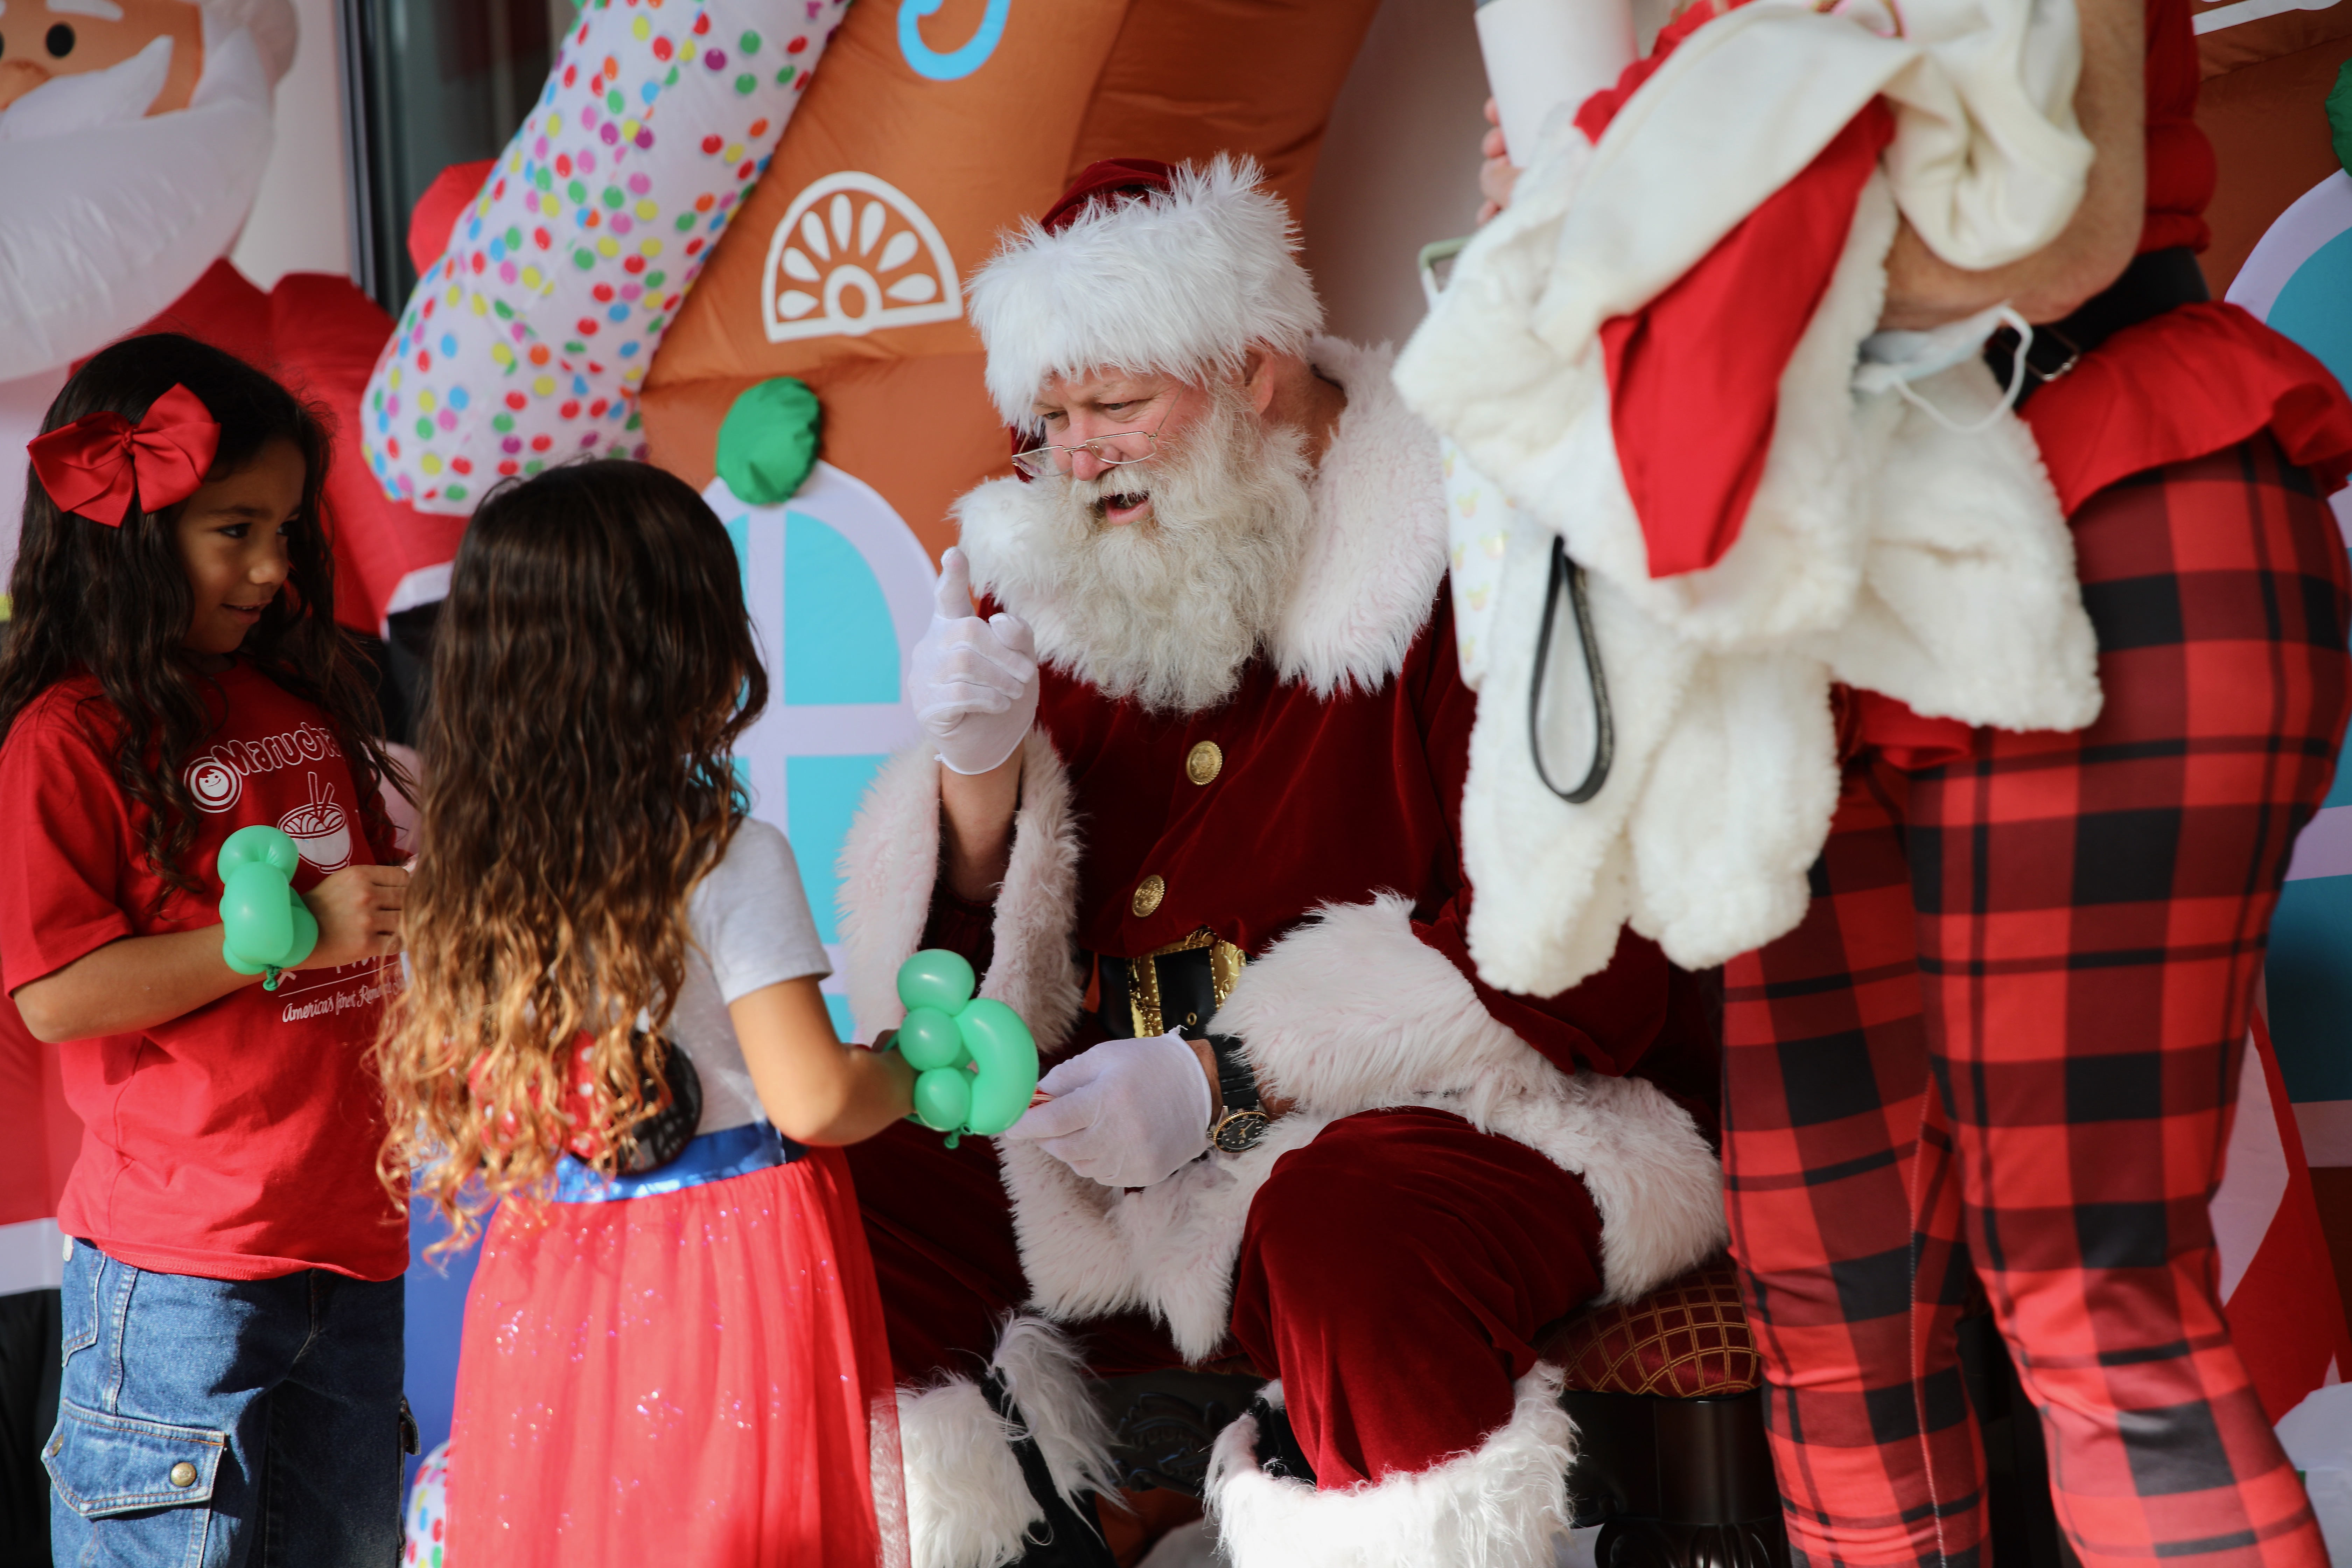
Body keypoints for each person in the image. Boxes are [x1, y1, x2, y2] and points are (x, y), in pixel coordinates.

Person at [1469, 0, 2352, 1562]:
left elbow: (2050, 230)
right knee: (1829, 1311)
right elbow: (1574, 296)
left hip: (2103, 498)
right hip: (1820, 608)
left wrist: (1628, 231)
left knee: (2095, 1301)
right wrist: (1571, 216)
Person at [834, 156, 1729, 1568]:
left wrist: (1229, 1077)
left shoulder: (1466, 525)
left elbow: (1583, 961)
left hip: (1460, 1113)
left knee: (1344, 1226)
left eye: (1118, 404)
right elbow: (955, 1012)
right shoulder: (1051, 575)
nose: (1079, 457)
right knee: (837, 1181)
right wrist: (975, 783)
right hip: (1112, 1173)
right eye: (1053, 417)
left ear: (1255, 371)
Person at [376, 460, 915, 1568]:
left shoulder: (469, 882)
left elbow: (461, 1135)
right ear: (683, 650)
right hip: (729, 1270)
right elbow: (815, 1098)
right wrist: (903, 1070)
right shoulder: (724, 855)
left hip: (553, 1270)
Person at [0, 333, 412, 1564]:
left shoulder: (301, 699)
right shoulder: (65, 740)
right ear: (128, 533)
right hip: (182, 1274)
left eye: (287, 529)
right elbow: (57, 1001)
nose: (272, 567)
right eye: (234, 529)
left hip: (354, 1244)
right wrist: (283, 943)